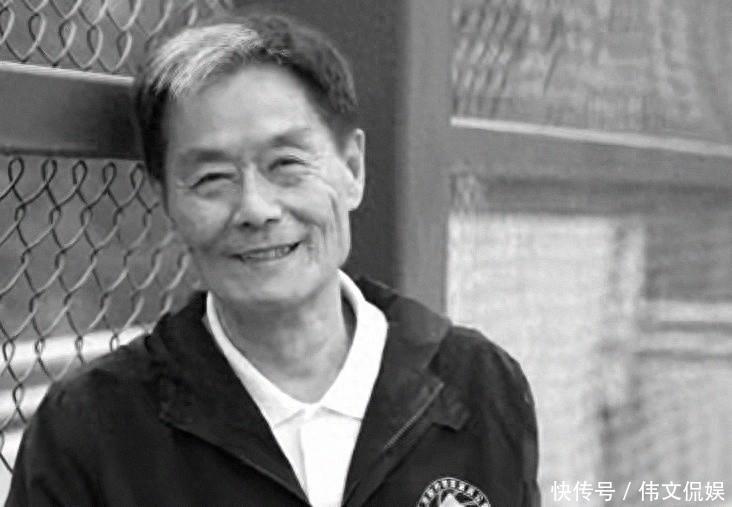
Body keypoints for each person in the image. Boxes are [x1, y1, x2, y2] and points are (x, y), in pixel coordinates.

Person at [6, 13, 539, 507]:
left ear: (352, 169)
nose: (256, 209)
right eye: (212, 178)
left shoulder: (479, 383)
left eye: (286, 164)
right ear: (165, 200)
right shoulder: (91, 433)